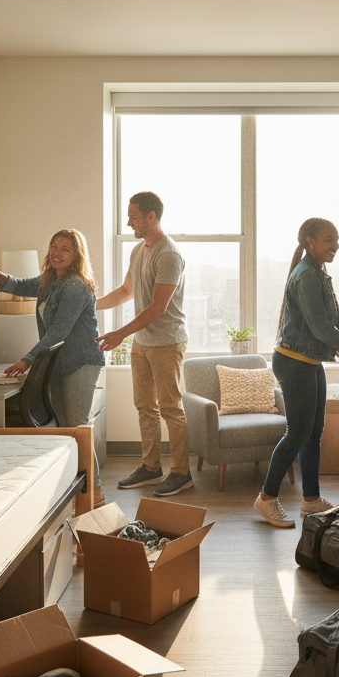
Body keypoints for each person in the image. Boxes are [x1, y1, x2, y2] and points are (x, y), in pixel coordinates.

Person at [253, 217, 339, 529]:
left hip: (310, 362)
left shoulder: (318, 273)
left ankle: (310, 500)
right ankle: (265, 498)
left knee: (314, 433)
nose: (335, 246)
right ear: (310, 241)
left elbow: (329, 317)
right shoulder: (306, 276)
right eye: (329, 240)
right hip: (293, 362)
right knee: (298, 433)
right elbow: (320, 328)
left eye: (337, 240)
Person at [0, 228, 106, 505]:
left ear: (76, 256)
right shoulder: (50, 280)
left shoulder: (75, 284)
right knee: (65, 429)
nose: (56, 253)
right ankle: (77, 490)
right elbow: (19, 284)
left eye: (65, 249)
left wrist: (28, 359)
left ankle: (95, 495)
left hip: (81, 362)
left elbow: (60, 330)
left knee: (77, 428)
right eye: (54, 246)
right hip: (60, 364)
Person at [95, 191, 193, 497]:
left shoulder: (169, 254)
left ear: (151, 217)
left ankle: (181, 472)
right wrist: (91, 305)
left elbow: (157, 307)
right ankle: (151, 467)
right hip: (142, 342)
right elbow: (127, 290)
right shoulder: (138, 251)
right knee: (144, 407)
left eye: (134, 216)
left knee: (170, 408)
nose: (129, 222)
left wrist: (120, 333)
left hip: (166, 342)